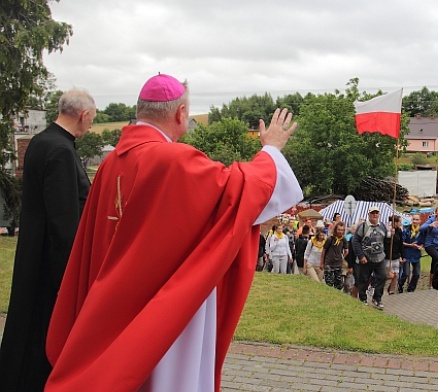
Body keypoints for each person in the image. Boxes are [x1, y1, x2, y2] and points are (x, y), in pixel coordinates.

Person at [43, 74, 302, 391]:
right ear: (180, 114)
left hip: (110, 302)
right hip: (157, 303)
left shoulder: (111, 163)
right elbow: (239, 194)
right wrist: (271, 151)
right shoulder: (173, 160)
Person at [0, 90, 96, 391]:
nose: (91, 126)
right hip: (50, 260)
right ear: (83, 115)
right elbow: (64, 221)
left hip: (33, 250)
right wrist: (69, 277)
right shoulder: (62, 151)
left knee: (27, 323)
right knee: (44, 329)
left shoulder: (42, 142)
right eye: (92, 119)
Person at [352, 206, 389, 309]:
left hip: (380, 257)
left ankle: (377, 298)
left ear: (379, 214)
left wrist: (391, 235)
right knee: (363, 279)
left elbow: (386, 240)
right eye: (372, 213)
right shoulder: (363, 226)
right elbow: (355, 241)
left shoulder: (382, 226)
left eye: (376, 213)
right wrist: (361, 256)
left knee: (382, 277)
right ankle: (363, 298)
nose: (374, 215)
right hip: (366, 258)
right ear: (369, 214)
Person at [420, 207, 438, 290]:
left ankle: (432, 285)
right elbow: (421, 228)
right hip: (430, 245)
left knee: (434, 265)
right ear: (436, 213)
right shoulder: (431, 220)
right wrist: (430, 225)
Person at [400, 214, 423, 293]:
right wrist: (410, 245)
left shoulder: (422, 231)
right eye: (414, 219)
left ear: (420, 221)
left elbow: (424, 241)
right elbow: (401, 242)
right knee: (406, 273)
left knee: (417, 273)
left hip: (416, 254)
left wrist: (421, 246)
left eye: (417, 220)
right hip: (407, 253)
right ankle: (400, 285)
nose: (415, 221)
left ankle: (411, 289)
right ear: (411, 220)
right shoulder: (406, 230)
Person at [321, 221, 348, 289]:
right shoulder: (330, 239)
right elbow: (324, 251)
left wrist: (343, 257)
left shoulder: (343, 239)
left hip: (338, 264)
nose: (340, 232)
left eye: (342, 230)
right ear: (336, 229)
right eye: (339, 229)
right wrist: (322, 263)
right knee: (329, 283)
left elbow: (346, 250)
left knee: (339, 285)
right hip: (329, 263)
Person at [384, 216, 404, 294]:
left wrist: (402, 255)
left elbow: (400, 243)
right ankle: (377, 286)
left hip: (396, 256)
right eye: (399, 222)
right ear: (395, 223)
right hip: (388, 256)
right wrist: (391, 235)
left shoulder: (399, 231)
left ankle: (392, 290)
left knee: (396, 274)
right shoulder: (387, 230)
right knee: (388, 274)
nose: (400, 223)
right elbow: (386, 243)